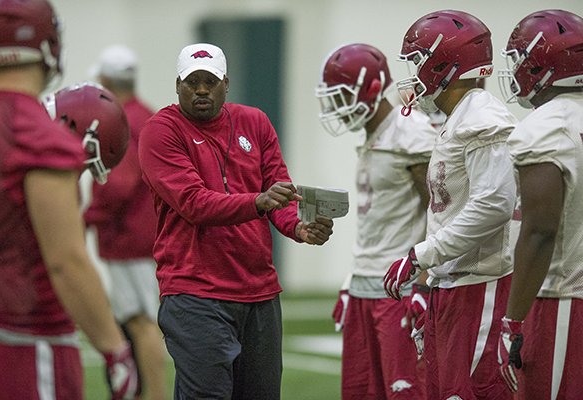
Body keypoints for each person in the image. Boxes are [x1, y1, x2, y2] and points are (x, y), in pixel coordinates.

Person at [137, 42, 334, 400]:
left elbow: (278, 190)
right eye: (191, 81)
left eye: (209, 81)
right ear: (177, 85)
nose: (200, 89)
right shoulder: (161, 131)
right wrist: (259, 202)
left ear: (226, 84)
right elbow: (193, 203)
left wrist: (298, 227)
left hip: (259, 292)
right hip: (195, 293)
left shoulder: (254, 122)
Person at [0, 1, 138, 399]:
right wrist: (114, 348)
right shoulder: (37, 134)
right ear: (48, 46)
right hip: (23, 335)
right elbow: (65, 262)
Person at [382, 10, 519, 400]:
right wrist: (429, 279)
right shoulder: (459, 118)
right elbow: (448, 211)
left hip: (480, 285)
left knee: (471, 392)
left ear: (445, 63)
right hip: (455, 283)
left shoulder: (483, 118)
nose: (415, 72)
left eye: (419, 60)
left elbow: (494, 203)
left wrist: (421, 255)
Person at [315, 43, 438, 399]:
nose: (337, 107)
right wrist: (354, 277)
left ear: (369, 89)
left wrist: (425, 282)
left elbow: (438, 211)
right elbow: (380, 218)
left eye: (342, 96)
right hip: (366, 285)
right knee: (360, 392)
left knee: (405, 392)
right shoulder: (374, 134)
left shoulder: (410, 132)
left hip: (398, 285)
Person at [496, 9, 583, 399]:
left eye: (520, 59)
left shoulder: (546, 126)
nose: (515, 70)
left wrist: (512, 319)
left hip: (562, 299)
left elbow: (540, 231)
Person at [86, 45, 167, 400]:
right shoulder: (146, 115)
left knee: (140, 321)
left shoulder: (121, 120)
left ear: (105, 79)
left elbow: (120, 181)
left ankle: (154, 395)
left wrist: (89, 216)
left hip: (128, 238)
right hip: (143, 234)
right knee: (139, 320)